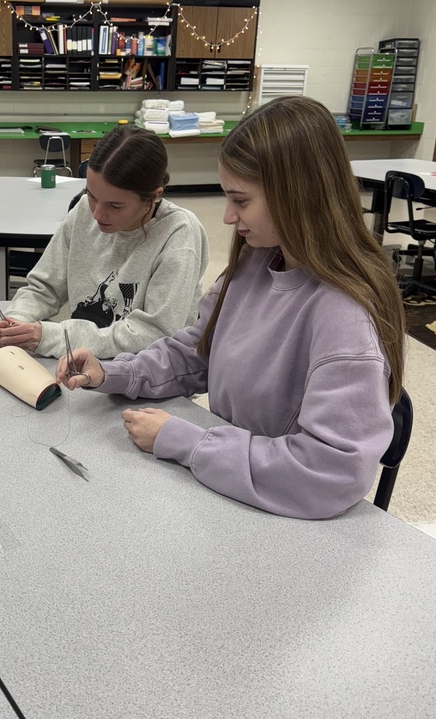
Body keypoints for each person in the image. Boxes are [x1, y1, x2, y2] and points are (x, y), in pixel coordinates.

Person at [56, 97, 406, 520]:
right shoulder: (258, 260)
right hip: (228, 491)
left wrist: (188, 442)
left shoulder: (344, 315)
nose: (226, 217)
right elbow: (198, 350)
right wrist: (116, 371)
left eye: (240, 201)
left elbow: (329, 472)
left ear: (298, 195)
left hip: (280, 516)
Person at [0, 125, 209, 358]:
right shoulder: (83, 210)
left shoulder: (179, 235)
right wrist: (16, 321)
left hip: (144, 377)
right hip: (82, 362)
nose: (97, 215)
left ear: (152, 198)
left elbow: (153, 334)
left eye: (115, 206)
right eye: (91, 195)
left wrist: (51, 336)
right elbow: (45, 288)